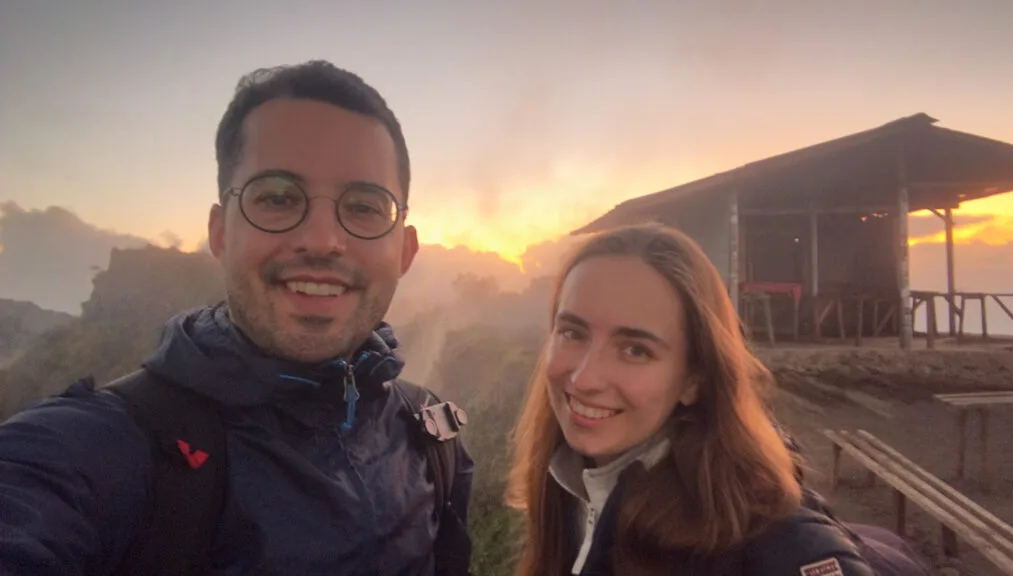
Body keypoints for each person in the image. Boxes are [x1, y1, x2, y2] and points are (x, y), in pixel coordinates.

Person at [0, 60, 473, 576]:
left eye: (364, 206)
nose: (320, 240)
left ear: (404, 251)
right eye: (276, 197)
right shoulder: (95, 454)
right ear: (220, 232)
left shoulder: (433, 435)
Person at [505, 223, 930, 576]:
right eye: (573, 333)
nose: (584, 378)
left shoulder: (776, 548)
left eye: (636, 350)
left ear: (695, 378)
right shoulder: (569, 482)